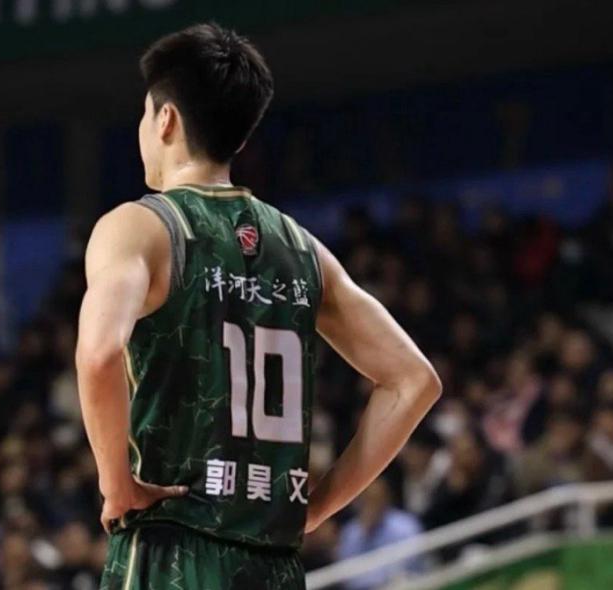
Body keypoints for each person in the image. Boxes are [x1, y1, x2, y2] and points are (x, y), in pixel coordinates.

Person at [75, 23, 441, 590]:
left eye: (145, 114)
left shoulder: (139, 227)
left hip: (173, 547)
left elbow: (99, 354)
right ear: (238, 139)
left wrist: (115, 484)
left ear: (165, 120)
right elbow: (414, 381)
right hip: (273, 562)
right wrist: (317, 505)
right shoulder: (303, 248)